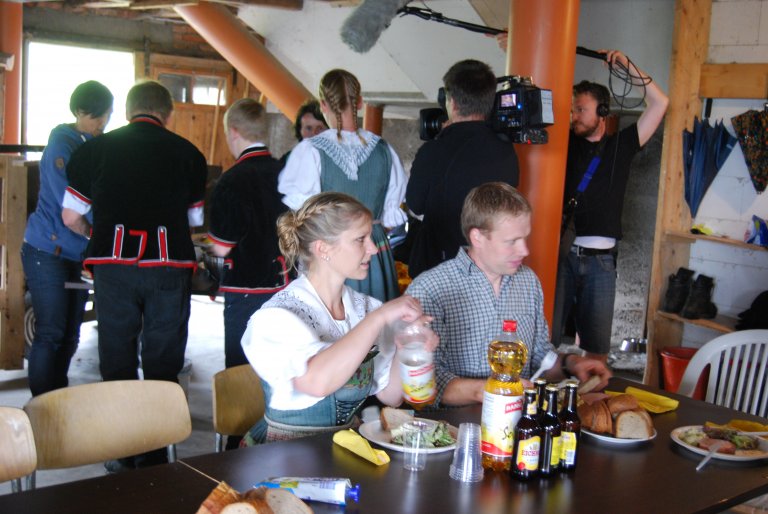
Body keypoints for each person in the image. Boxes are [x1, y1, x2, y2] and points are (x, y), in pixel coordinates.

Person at [62, 80, 208, 470]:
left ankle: (123, 449)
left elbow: (70, 216)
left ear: (127, 111)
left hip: (113, 265)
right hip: (168, 265)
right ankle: (159, 452)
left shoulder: (93, 150)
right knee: (163, 359)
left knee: (117, 355)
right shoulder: (189, 154)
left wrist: (100, 234)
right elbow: (195, 219)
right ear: (167, 114)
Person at [240, 192, 434, 444]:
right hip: (286, 451)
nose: (374, 248)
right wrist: (379, 318)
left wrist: (408, 347)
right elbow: (316, 383)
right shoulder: (276, 317)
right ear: (323, 248)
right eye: (360, 239)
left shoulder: (365, 307)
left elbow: (391, 396)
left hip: (348, 443)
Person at [406, 182, 611, 407]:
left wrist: (569, 364)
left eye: (525, 238)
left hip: (518, 419)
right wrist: (487, 391)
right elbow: (423, 382)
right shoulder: (430, 288)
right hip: (455, 427)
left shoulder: (528, 281)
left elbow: (539, 358)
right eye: (512, 241)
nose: (524, 250)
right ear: (477, 237)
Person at [552, 50, 669, 362]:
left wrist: (627, 68)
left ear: (602, 112)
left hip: (602, 263)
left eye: (581, 109)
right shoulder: (563, 142)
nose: (574, 115)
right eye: (573, 109)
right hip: (562, 258)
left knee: (596, 352)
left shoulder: (622, 145)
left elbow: (660, 103)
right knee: (546, 344)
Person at [278, 69, 407, 303]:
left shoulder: (309, 152)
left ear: (323, 105)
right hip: (372, 249)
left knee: (330, 325)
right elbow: (391, 219)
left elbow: (303, 218)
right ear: (359, 102)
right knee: (374, 324)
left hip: (329, 252)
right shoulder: (384, 150)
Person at [21, 80, 114, 397]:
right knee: (51, 331)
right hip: (47, 251)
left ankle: (57, 399)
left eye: (105, 116)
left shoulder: (90, 144)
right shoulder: (63, 145)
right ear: (78, 112)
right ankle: (42, 408)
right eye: (95, 116)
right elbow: (70, 214)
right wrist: (97, 236)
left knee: (71, 333)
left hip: (75, 255)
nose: (101, 123)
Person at [405, 59, 519, 279]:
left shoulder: (434, 150)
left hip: (439, 269)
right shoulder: (507, 151)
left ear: (452, 102)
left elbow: (415, 204)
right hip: (489, 270)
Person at [208, 98, 290, 371]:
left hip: (246, 289)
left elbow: (221, 247)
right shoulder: (286, 173)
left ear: (233, 131)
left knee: (242, 369)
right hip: (287, 285)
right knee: (279, 366)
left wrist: (207, 271)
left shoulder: (231, 181)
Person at [279, 99, 328, 167]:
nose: (314, 133)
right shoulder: (287, 162)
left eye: (319, 128)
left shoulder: (339, 161)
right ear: (299, 131)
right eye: (309, 128)